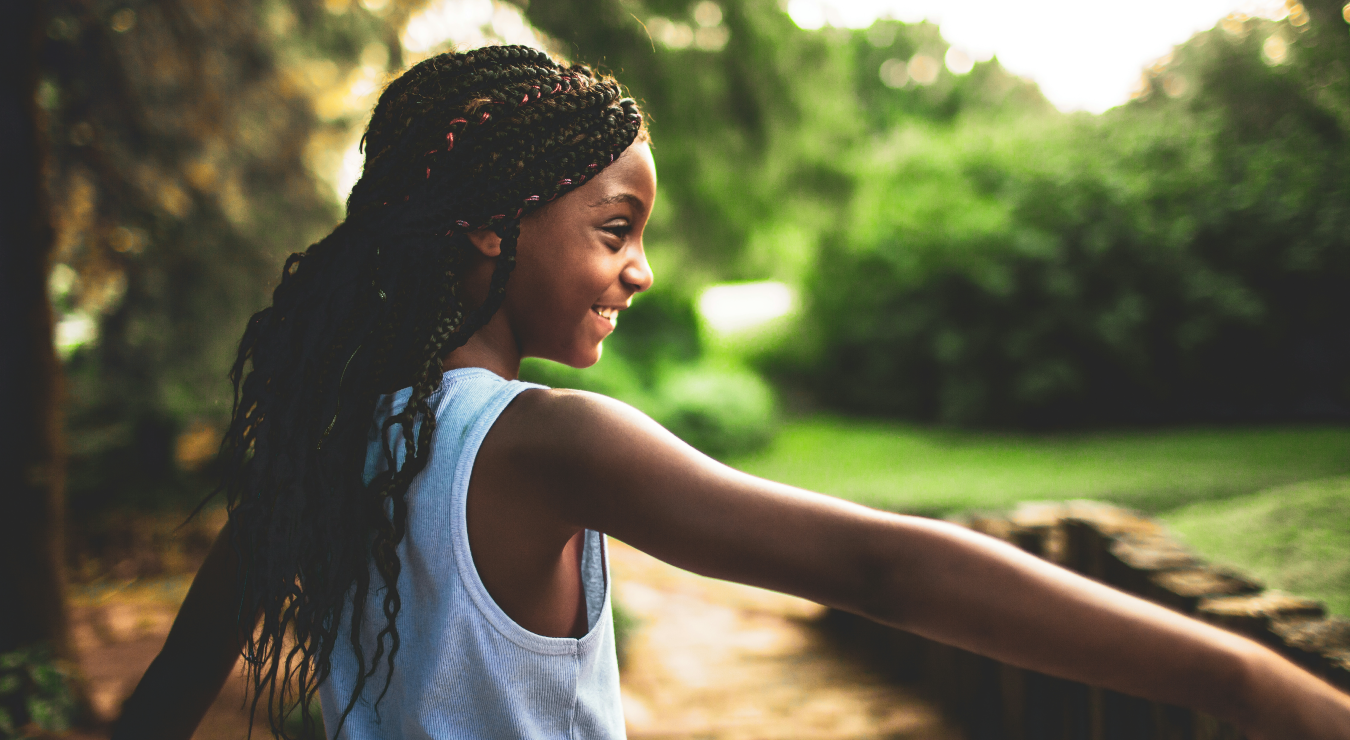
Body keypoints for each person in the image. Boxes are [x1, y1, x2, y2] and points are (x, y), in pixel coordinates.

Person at [113, 45, 1350, 740]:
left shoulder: (327, 446)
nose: (639, 268)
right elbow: (886, 569)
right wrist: (1247, 678)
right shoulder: (545, 442)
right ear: (492, 223)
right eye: (615, 228)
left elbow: (167, 697)